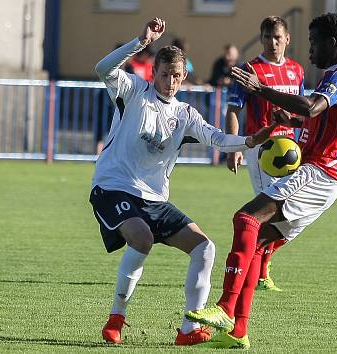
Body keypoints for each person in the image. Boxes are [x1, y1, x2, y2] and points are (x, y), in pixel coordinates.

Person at [91, 17, 282, 346]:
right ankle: (116, 318)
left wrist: (250, 141)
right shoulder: (134, 91)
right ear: (154, 72)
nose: (170, 81)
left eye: (177, 76)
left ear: (183, 77)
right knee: (142, 238)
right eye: (165, 74)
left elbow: (217, 138)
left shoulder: (184, 114)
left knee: (205, 248)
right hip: (113, 187)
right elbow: (102, 69)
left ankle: (188, 330)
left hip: (155, 200)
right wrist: (140, 41)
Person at [186, 13, 337, 349]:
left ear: (332, 44)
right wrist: (290, 119)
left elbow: (312, 108)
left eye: (314, 42)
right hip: (319, 172)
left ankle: (225, 309)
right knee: (256, 243)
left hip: (321, 172)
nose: (309, 50)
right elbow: (318, 119)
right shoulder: (334, 76)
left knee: (246, 217)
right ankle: (238, 332)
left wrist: (262, 90)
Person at [225, 16, 305, 293]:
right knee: (268, 211)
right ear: (261, 39)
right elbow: (233, 109)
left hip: (291, 151)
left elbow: (303, 110)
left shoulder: (297, 71)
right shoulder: (250, 70)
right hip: (262, 149)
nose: (272, 43)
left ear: (287, 39)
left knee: (293, 214)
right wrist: (234, 146)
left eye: (277, 37)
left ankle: (261, 262)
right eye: (267, 37)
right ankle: (259, 270)